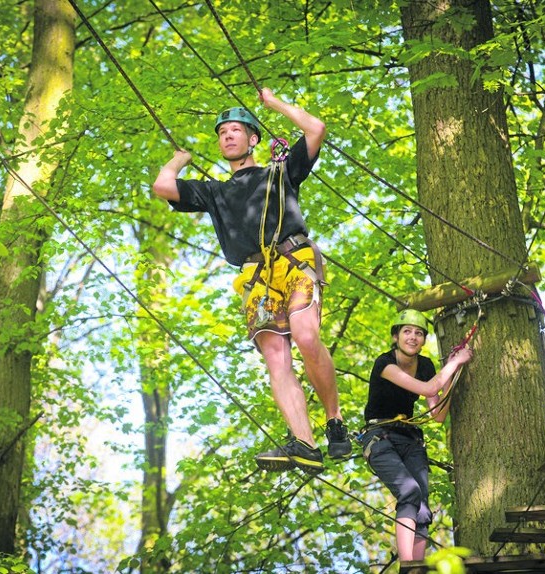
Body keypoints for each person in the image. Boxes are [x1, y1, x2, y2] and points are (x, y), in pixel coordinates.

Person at [153, 88, 351, 475]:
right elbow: (163, 187)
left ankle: (334, 419)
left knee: (306, 336)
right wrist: (177, 160)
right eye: (222, 132)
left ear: (253, 138)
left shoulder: (280, 171)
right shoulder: (214, 192)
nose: (227, 136)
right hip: (256, 276)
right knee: (276, 358)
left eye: (235, 130)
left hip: (293, 259)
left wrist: (273, 104)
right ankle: (304, 443)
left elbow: (315, 129)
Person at [360, 309, 473, 561]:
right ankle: (408, 564)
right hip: (380, 438)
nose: (413, 337)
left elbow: (438, 414)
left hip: (411, 440)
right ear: (396, 337)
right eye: (407, 331)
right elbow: (428, 388)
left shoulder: (425, 366)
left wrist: (452, 376)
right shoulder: (384, 363)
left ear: (423, 340)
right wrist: (454, 362)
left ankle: (417, 566)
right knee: (409, 491)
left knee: (422, 506)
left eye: (419, 333)